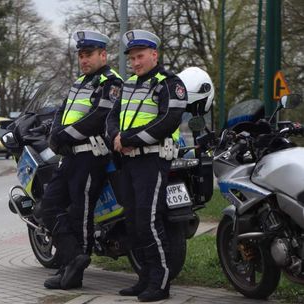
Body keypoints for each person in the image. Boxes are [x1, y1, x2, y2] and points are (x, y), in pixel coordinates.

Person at [105, 29, 187, 302]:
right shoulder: (128, 84)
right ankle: (144, 278)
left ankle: (161, 283)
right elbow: (111, 117)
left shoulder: (170, 83)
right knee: (133, 223)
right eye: (132, 58)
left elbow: (168, 120)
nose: (136, 63)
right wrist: (115, 137)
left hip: (152, 160)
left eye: (140, 56)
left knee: (149, 221)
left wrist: (128, 138)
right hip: (127, 161)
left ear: (154, 55)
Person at [40, 30, 123, 290]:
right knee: (48, 208)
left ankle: (73, 273)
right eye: (81, 56)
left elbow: (98, 117)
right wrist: (54, 134)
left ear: (103, 55)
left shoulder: (111, 82)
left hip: (91, 157)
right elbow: (61, 111)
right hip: (69, 158)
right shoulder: (80, 82)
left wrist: (63, 135)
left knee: (80, 213)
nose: (84, 60)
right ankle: (72, 258)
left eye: (89, 55)